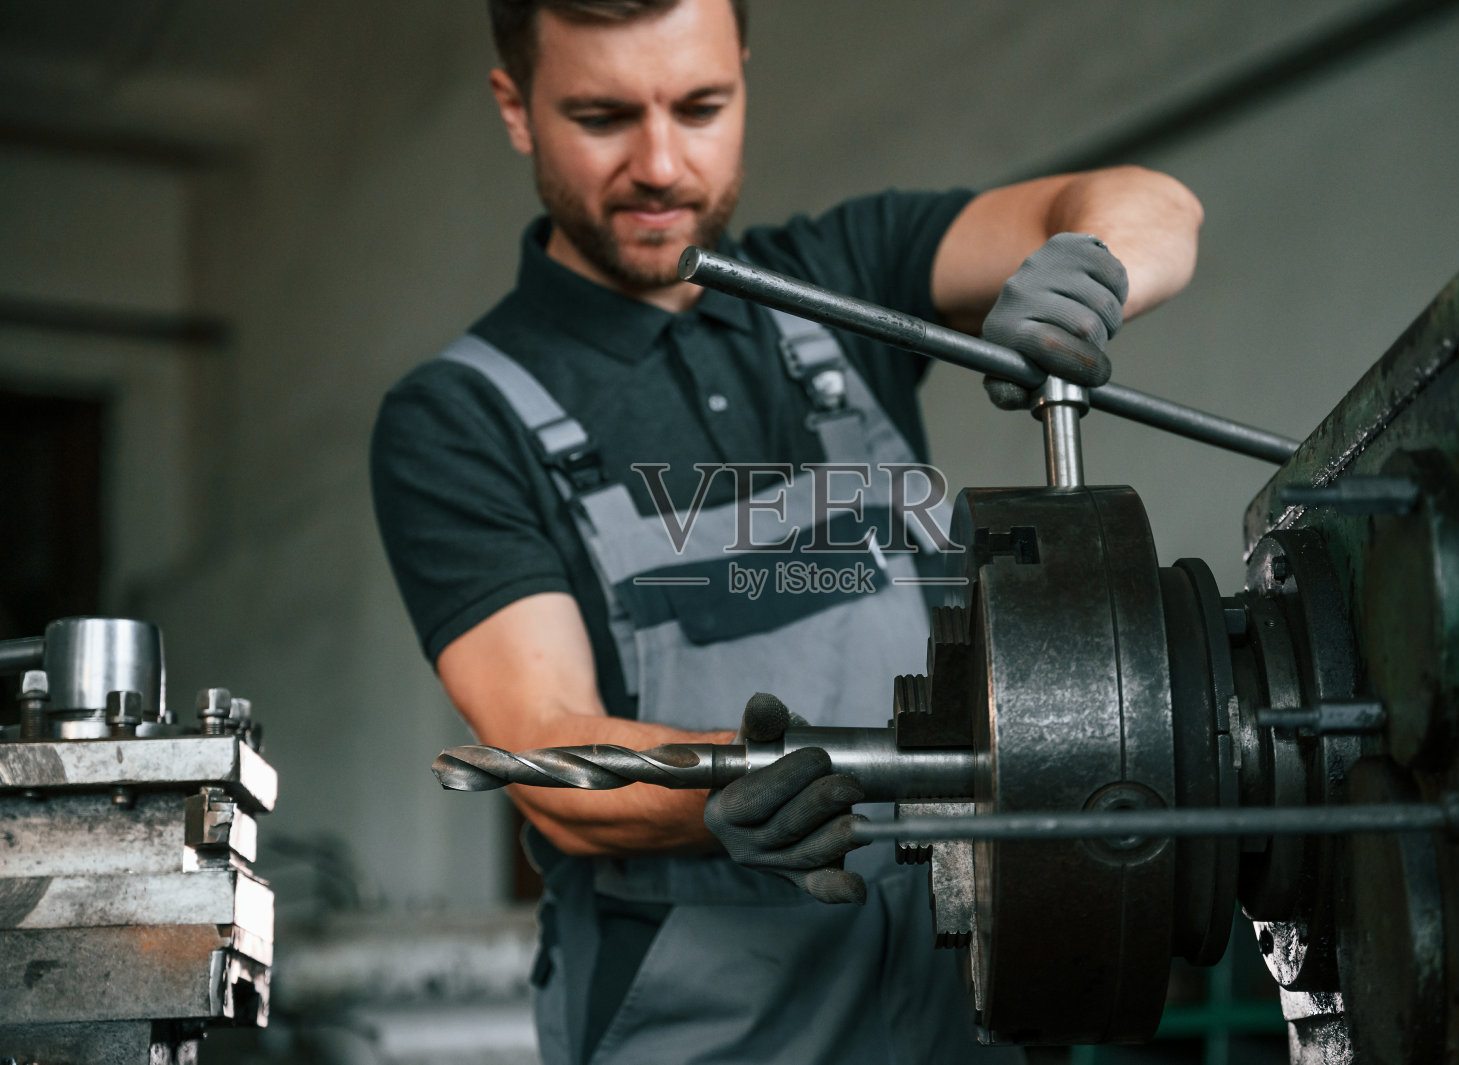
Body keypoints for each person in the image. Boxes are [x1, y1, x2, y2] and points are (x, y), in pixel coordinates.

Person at [370, 1, 1203, 1062]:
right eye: (601, 115)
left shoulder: (840, 283)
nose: (662, 163)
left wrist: (1093, 271)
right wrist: (738, 776)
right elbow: (545, 749)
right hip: (708, 1025)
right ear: (516, 108)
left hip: (973, 1002)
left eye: (701, 106)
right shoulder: (460, 415)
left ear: (742, 79)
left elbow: (1152, 201)